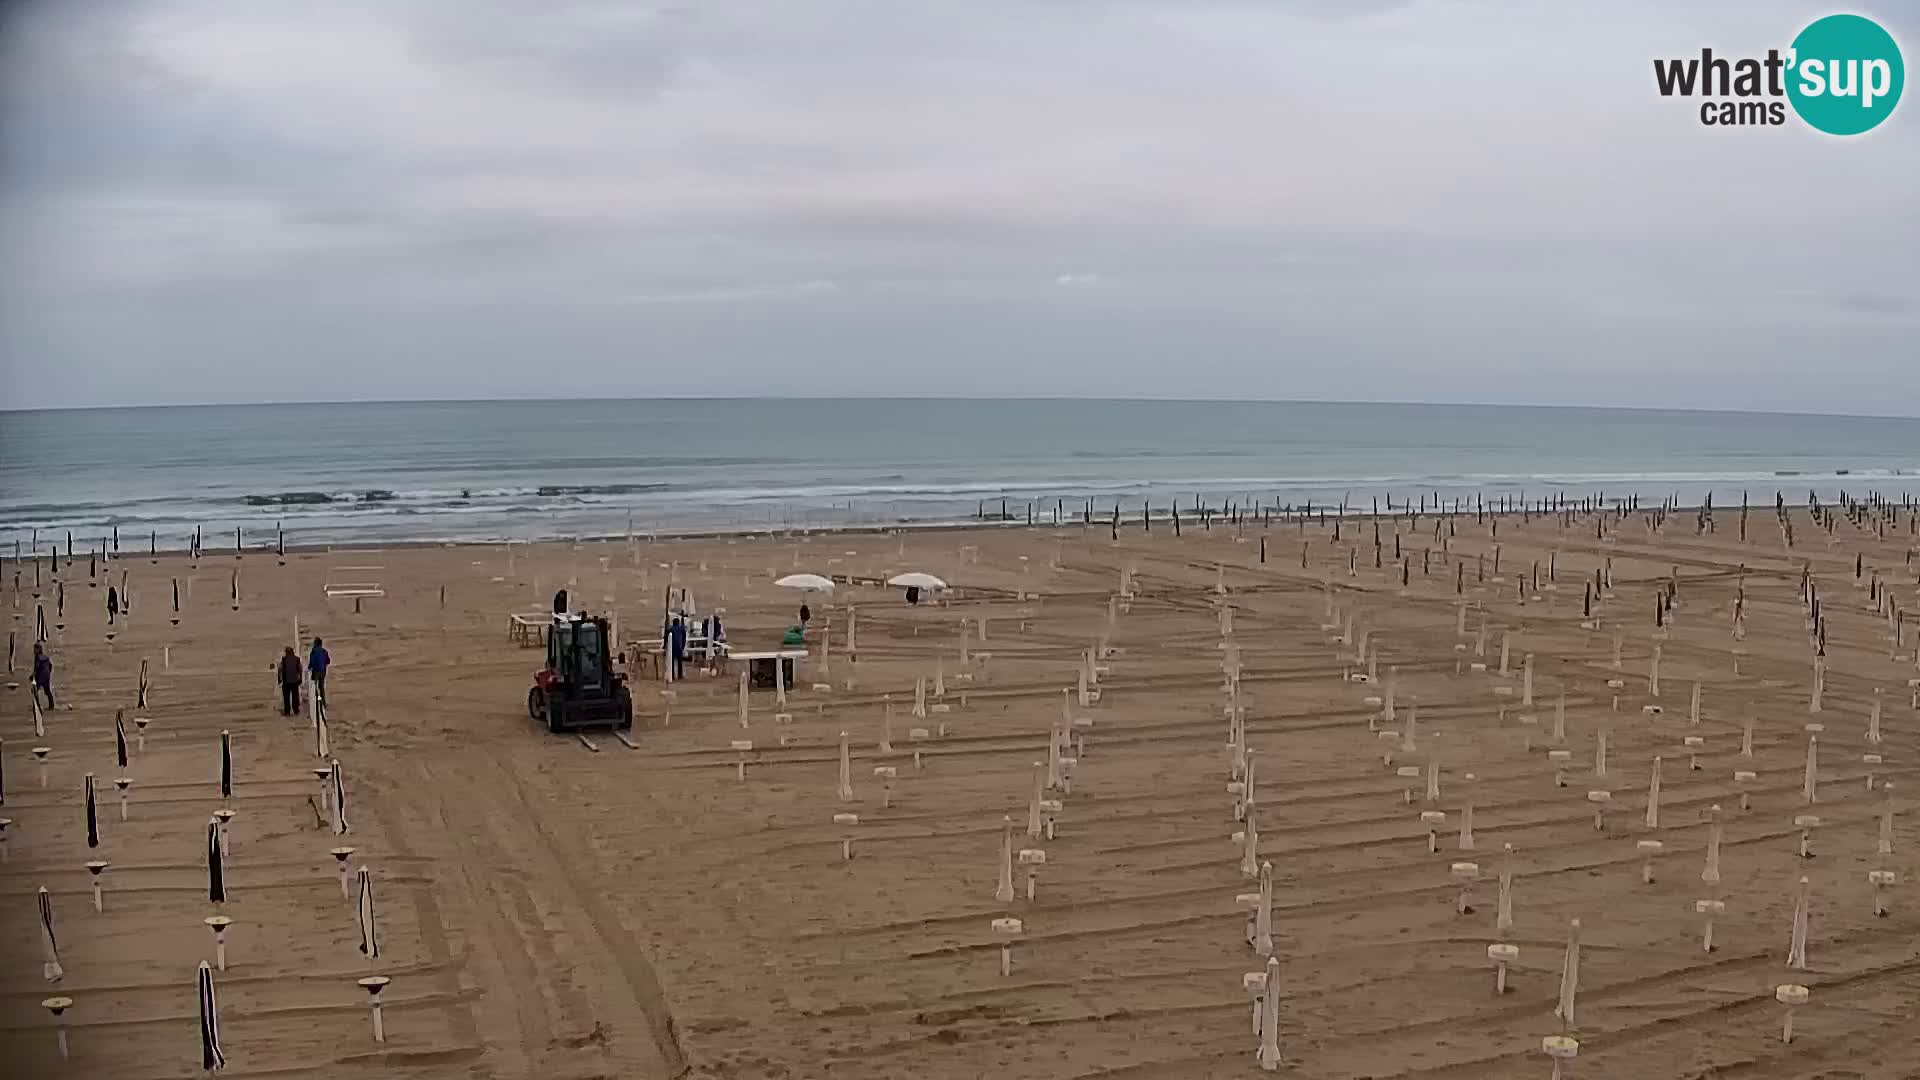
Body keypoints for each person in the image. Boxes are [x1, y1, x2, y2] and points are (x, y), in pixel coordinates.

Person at [276, 646, 303, 716]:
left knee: (286, 697)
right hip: (295, 681)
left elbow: (280, 669)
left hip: (286, 681)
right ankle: (296, 710)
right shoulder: (297, 659)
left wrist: (279, 679)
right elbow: (300, 669)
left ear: (287, 652)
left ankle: (287, 711)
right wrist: (300, 678)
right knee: (295, 696)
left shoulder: (284, 659)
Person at [308, 637, 331, 704]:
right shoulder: (324, 651)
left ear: (315, 644)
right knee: (321, 687)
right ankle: (323, 701)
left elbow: (312, 661)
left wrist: (309, 667)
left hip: (316, 671)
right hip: (323, 671)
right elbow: (328, 661)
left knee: (315, 687)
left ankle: (318, 700)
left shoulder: (313, 651)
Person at [32, 643, 54, 709]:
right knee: (47, 691)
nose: (34, 650)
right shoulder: (45, 657)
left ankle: (37, 705)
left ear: (38, 649)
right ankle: (51, 705)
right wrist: (48, 672)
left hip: (40, 676)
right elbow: (50, 665)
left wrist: (33, 675)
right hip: (46, 676)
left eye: (35, 649)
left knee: (35, 690)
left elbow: (37, 667)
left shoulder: (37, 657)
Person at [669, 616, 688, 681]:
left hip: (672, 647)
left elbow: (666, 638)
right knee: (680, 662)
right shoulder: (682, 628)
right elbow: (684, 638)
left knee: (672, 662)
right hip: (680, 647)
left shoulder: (671, 629)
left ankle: (672, 675)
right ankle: (680, 675)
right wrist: (683, 646)